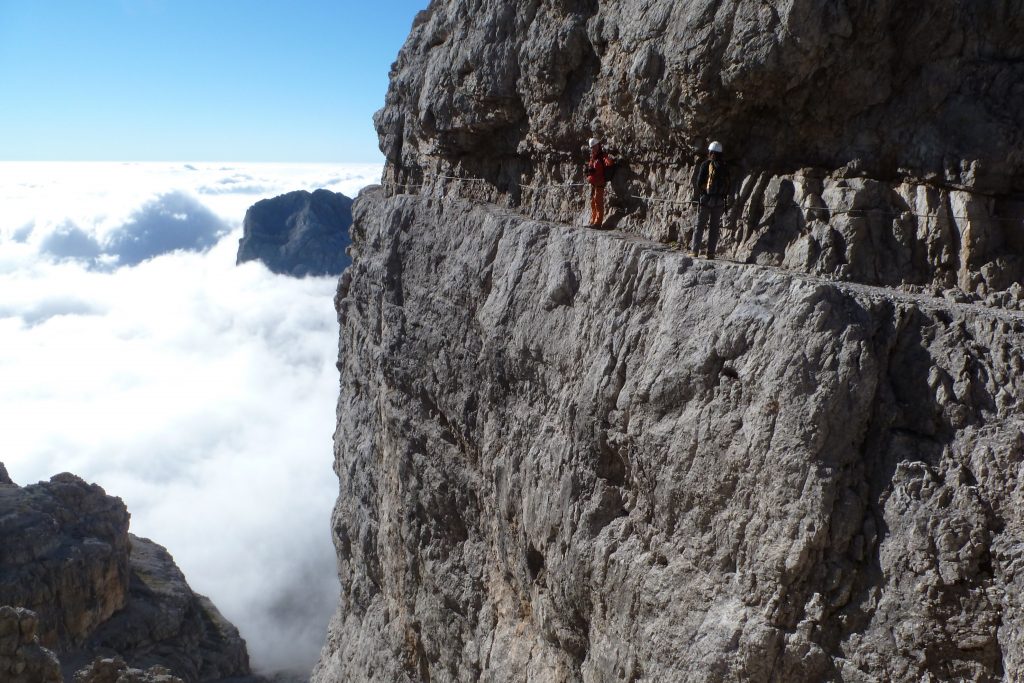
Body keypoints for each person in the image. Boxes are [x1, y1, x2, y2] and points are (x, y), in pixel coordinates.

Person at [691, 141, 730, 258]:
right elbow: (728, 185)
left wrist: (704, 192)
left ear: (710, 152)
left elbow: (699, 183)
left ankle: (695, 251)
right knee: (714, 227)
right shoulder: (724, 166)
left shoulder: (706, 164)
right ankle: (711, 253)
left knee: (699, 225)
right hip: (719, 201)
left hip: (706, 199)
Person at [585, 137, 614, 227]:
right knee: (593, 202)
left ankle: (598, 222)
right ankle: (593, 221)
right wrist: (588, 171)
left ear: (598, 146)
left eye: (594, 146)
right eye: (592, 147)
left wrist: (609, 158)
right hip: (594, 183)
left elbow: (609, 163)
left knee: (598, 202)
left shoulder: (602, 156)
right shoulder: (593, 157)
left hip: (600, 182)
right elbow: (591, 168)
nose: (593, 148)